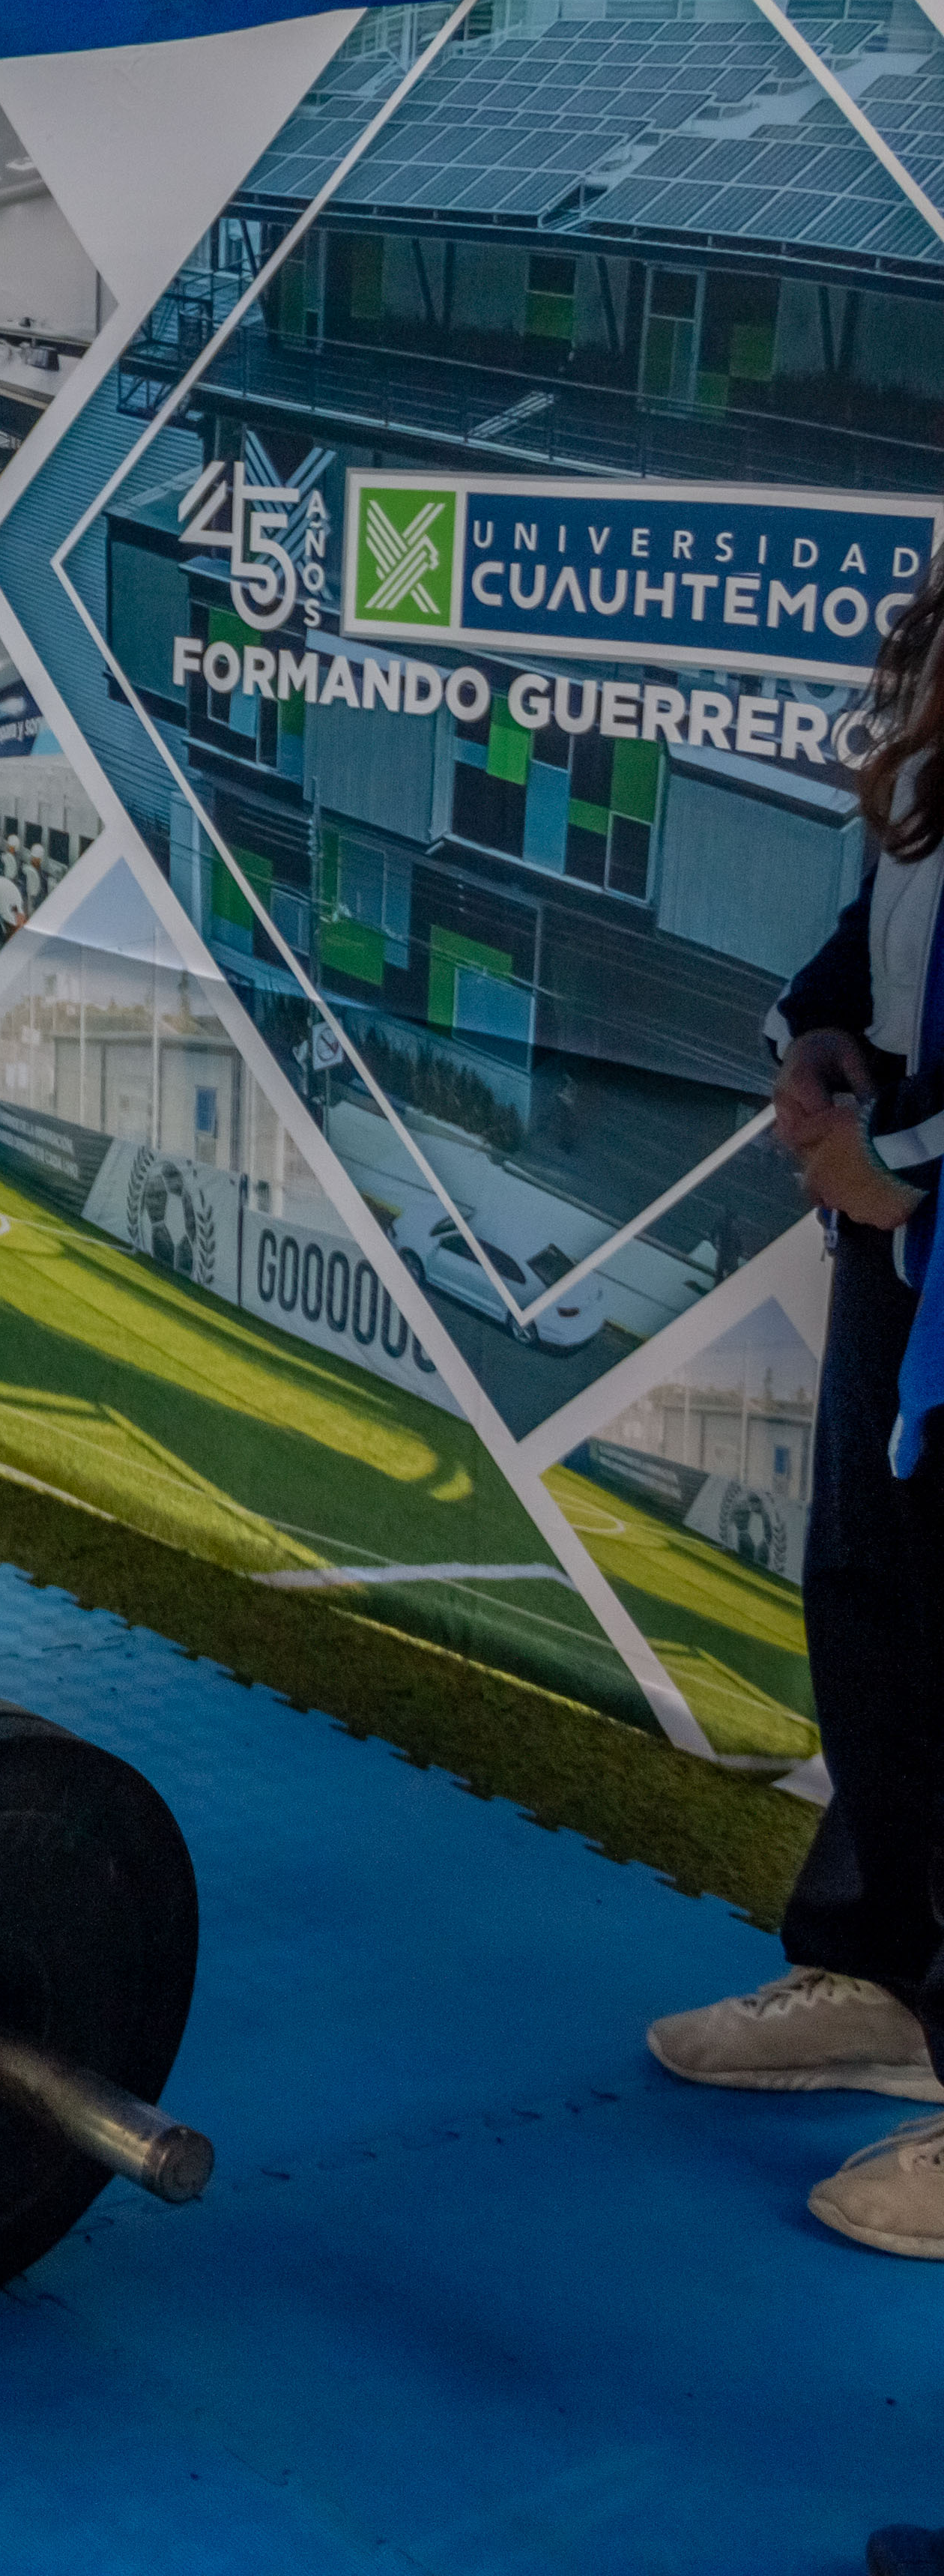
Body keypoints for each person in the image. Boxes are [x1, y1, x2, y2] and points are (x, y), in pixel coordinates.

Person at [651, 564, 944, 2329]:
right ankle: (877, 1973)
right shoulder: (927, 676)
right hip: (897, 1245)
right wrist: (816, 1050)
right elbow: (874, 922)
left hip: (919, 1207)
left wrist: (904, 1148)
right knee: (872, 1604)